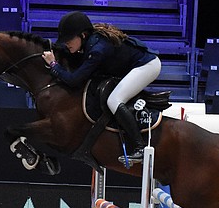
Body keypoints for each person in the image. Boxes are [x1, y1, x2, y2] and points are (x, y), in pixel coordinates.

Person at [41, 11, 161, 166]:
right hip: (134, 66)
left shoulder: (98, 49)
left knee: (114, 100)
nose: (66, 43)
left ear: (83, 35)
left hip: (147, 66)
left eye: (69, 40)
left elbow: (74, 80)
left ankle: (140, 147)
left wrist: (53, 65)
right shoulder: (90, 42)